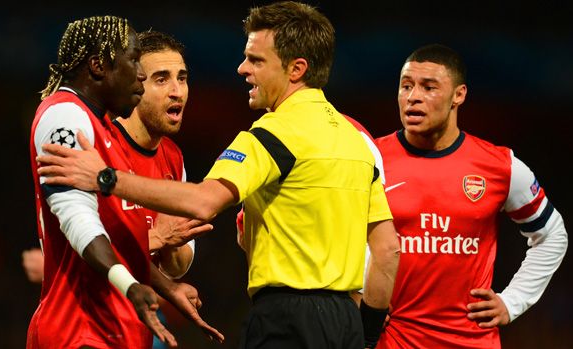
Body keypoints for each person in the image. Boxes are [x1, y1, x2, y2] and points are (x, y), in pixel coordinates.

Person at [35, 2, 400, 348]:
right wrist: (366, 335)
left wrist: (106, 178)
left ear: (296, 69)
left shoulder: (272, 134)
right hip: (346, 321)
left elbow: (203, 202)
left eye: (255, 60)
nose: (242, 69)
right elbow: (386, 249)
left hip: (287, 319)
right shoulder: (358, 141)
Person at [28, 16, 222, 349]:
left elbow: (170, 259)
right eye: (140, 69)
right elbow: (76, 224)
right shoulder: (74, 123)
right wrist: (154, 241)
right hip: (80, 331)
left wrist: (166, 285)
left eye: (182, 78)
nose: (139, 76)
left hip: (129, 332)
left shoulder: (169, 157)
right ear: (99, 66)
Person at [366, 43, 568, 348]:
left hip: (471, 340)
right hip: (391, 339)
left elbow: (552, 234)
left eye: (429, 87)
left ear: (458, 95)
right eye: (406, 86)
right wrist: (360, 295)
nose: (413, 97)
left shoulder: (499, 166)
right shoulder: (372, 159)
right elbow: (336, 233)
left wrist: (512, 301)